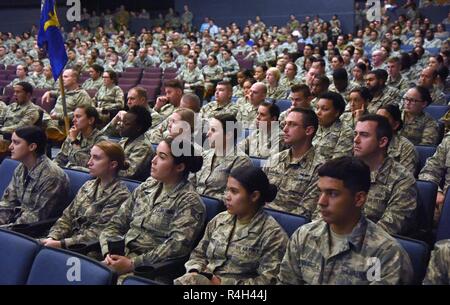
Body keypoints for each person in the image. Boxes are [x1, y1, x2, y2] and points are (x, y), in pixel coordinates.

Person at [277, 156, 414, 285]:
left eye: (333, 194)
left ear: (359, 199)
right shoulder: (304, 236)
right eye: (320, 192)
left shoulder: (386, 254)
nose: (321, 202)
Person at [99, 137, 206, 278]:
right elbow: (115, 223)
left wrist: (132, 263)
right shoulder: (146, 187)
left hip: (149, 269)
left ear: (179, 167)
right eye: (155, 154)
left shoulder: (189, 201)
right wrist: (109, 253)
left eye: (162, 157)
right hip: (120, 255)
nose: (153, 160)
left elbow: (176, 248)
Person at [175, 166, 288, 285]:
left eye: (234, 191)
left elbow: (269, 280)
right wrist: (194, 271)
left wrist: (222, 283)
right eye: (227, 190)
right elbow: (199, 254)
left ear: (254, 196)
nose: (227, 197)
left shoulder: (272, 235)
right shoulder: (219, 220)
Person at [41, 141, 130, 251]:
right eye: (90, 156)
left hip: (87, 250)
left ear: (113, 164)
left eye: (96, 158)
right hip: (64, 241)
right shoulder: (88, 185)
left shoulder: (120, 195)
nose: (89, 163)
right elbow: (67, 217)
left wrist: (60, 244)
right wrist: (52, 237)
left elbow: (98, 233)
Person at [352, 114, 417, 235]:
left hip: (372, 247)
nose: (356, 140)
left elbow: (388, 229)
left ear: (382, 142)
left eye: (364, 135)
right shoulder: (346, 169)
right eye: (355, 134)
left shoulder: (402, 179)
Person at [0, 126, 69, 226]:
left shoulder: (52, 176)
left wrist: (4, 230)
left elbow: (35, 218)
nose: (10, 147)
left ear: (32, 147)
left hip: (36, 232)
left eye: (16, 142)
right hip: (15, 224)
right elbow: (8, 203)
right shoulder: (21, 168)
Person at [264, 108, 323, 217]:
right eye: (285, 124)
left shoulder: (320, 167)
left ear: (308, 130)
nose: (285, 129)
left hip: (290, 226)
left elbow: (306, 210)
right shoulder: (275, 158)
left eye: (292, 125)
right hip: (261, 220)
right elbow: (258, 195)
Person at [191, 114, 252, 199]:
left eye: (213, 130)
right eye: (209, 129)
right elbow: (190, 183)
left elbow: (231, 196)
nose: (208, 134)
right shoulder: (205, 155)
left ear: (228, 135)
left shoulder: (240, 160)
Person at [54, 105, 107, 170]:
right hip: (68, 172)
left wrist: (74, 141)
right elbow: (61, 157)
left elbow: (87, 163)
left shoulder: (101, 140)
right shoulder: (74, 134)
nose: (73, 120)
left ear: (91, 120)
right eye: (74, 117)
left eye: (78, 117)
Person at [376, 104, 418, 175]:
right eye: (376, 119)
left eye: (383, 120)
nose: (377, 123)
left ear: (395, 125)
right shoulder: (369, 142)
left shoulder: (406, 147)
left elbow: (405, 179)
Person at [313, 92, 354, 161]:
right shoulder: (313, 126)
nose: (318, 112)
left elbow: (338, 164)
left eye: (324, 109)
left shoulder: (346, 133)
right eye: (317, 108)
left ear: (336, 112)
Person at [117, 105, 154, 181]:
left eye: (126, 124)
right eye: (122, 122)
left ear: (138, 127)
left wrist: (107, 170)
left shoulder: (143, 146)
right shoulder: (124, 139)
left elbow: (130, 173)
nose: (121, 126)